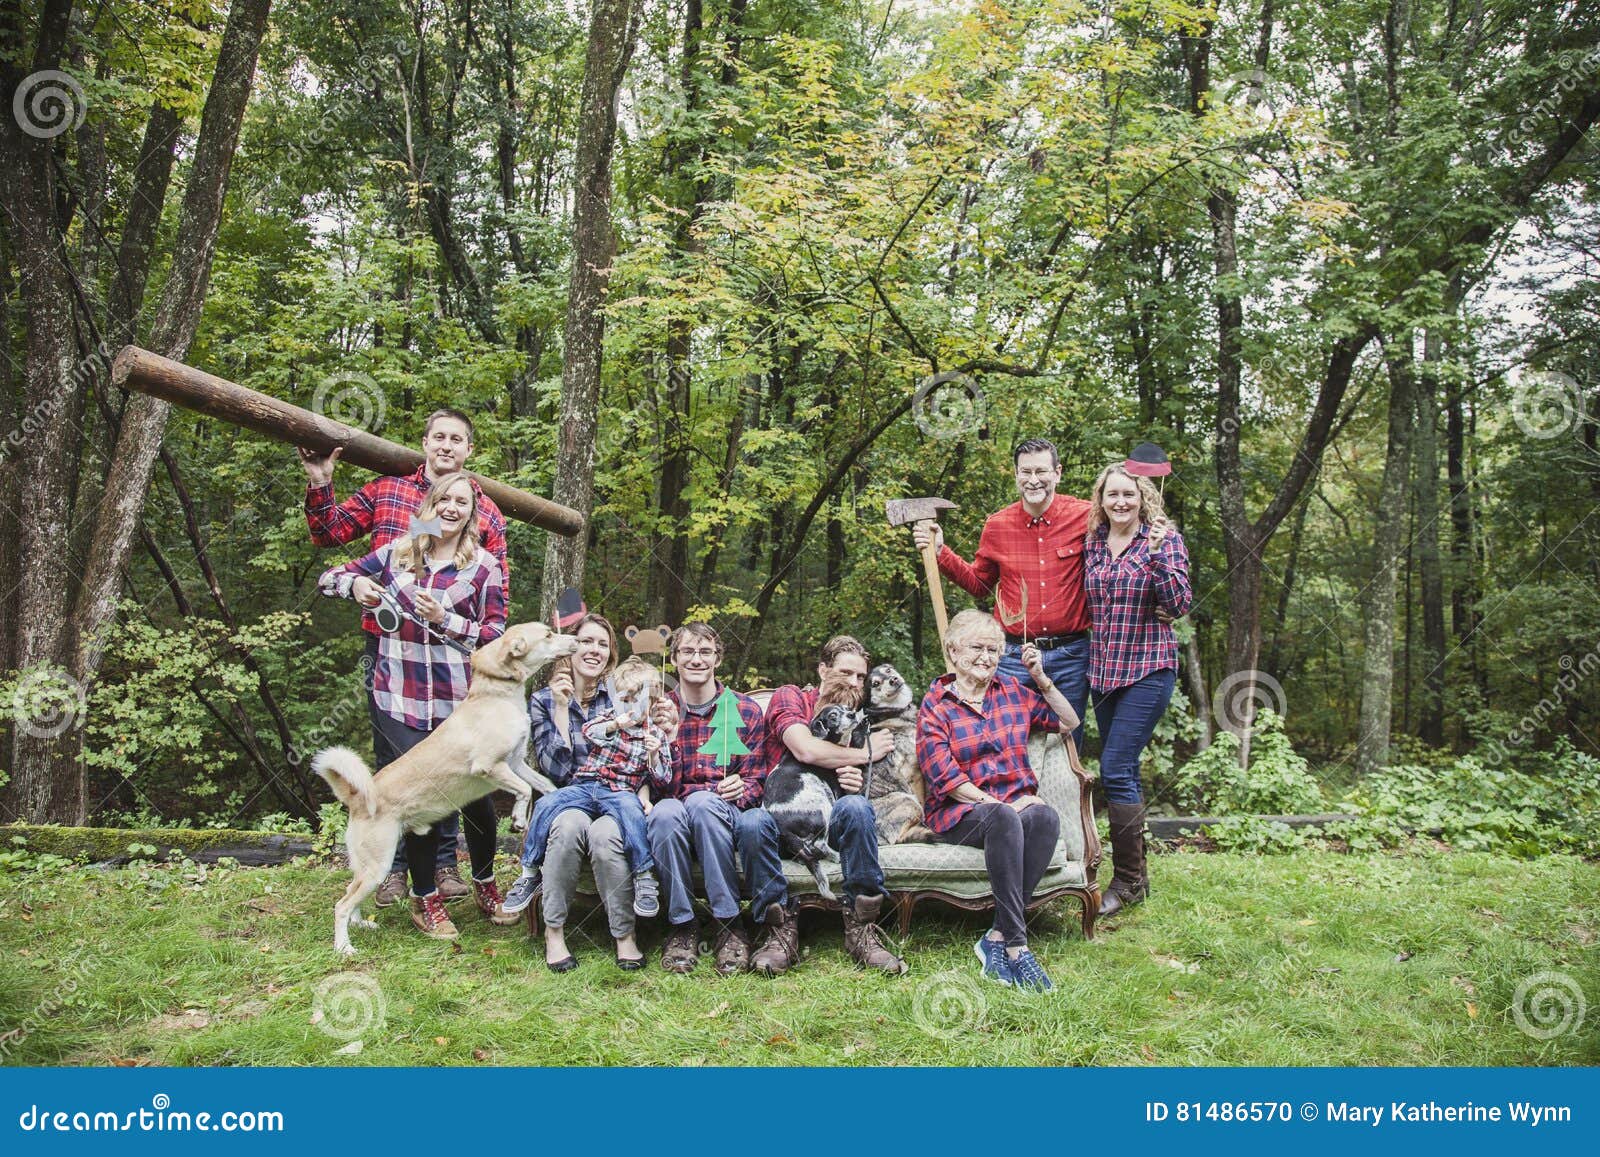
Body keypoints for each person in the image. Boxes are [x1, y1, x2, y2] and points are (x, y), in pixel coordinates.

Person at [300, 409, 509, 907]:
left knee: (453, 770)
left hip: (454, 663)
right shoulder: (388, 492)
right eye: (439, 436)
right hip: (391, 649)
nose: (446, 445)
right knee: (400, 764)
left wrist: (453, 622)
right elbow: (328, 536)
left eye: (457, 439)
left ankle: (443, 868)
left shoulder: (488, 517)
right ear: (425, 442)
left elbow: (492, 608)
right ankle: (394, 871)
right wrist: (320, 482)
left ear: (468, 451)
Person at [493, 613, 676, 971]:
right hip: (571, 793)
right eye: (586, 641)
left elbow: (641, 753)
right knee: (567, 828)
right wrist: (562, 709)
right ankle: (554, 930)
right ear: (570, 648)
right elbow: (556, 769)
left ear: (611, 654)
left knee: (607, 835)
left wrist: (663, 731)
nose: (594, 650)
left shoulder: (623, 693)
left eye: (603, 644)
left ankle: (624, 934)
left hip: (616, 794)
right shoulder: (545, 699)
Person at [917, 610, 1080, 991]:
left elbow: (1069, 721)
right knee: (1005, 817)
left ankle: (994, 937)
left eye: (993, 650)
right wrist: (1000, 804)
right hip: (960, 813)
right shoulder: (936, 706)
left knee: (1045, 818)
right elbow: (948, 779)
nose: (986, 657)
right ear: (953, 651)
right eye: (977, 648)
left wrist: (1040, 678)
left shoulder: (1013, 693)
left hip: (1010, 809)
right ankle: (1018, 948)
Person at [914, 438, 1091, 746]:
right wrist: (941, 551)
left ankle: (1065, 796)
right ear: (1016, 474)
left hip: (1070, 655)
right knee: (1005, 739)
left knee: (1068, 742)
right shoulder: (998, 525)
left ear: (1057, 473)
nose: (1033, 480)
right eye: (1026, 472)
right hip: (1013, 655)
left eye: (1041, 471)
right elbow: (978, 584)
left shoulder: (1086, 517)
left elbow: (1121, 551)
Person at [758, 636, 905, 976]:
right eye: (845, 673)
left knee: (855, 807)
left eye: (860, 677)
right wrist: (866, 754)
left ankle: (862, 927)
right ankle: (779, 931)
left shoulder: (858, 718)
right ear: (823, 669)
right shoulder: (791, 697)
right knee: (752, 824)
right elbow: (806, 750)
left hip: (827, 821)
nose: (854, 683)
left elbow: (847, 782)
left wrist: (851, 781)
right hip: (779, 819)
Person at [1083, 463, 1192, 918]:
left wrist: (1160, 555)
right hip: (1104, 674)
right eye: (1112, 495)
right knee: (1122, 769)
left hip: (1148, 668)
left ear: (1143, 495)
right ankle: (1138, 875)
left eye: (1128, 494)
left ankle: (1127, 881)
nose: (1121, 502)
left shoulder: (1162, 540)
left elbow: (1180, 604)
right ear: (1102, 499)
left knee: (1115, 767)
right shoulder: (1091, 542)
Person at [649, 623, 779, 976]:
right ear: (674, 659)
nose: (696, 659)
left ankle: (728, 923)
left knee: (704, 805)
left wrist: (743, 788)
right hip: (674, 814)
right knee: (665, 813)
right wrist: (671, 739)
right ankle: (683, 925)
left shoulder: (745, 710)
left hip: (725, 814)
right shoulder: (660, 711)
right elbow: (659, 788)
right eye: (687, 652)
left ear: (717, 659)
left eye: (705, 652)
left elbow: (758, 781)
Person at [513, 657, 671, 920]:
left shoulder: (655, 735)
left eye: (641, 702)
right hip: (587, 785)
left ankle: (644, 877)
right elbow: (590, 732)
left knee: (633, 814)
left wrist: (653, 757)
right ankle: (529, 872)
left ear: (653, 704)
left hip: (621, 792)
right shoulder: (608, 718)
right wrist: (615, 724)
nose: (632, 708)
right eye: (626, 701)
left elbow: (663, 779)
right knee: (546, 803)